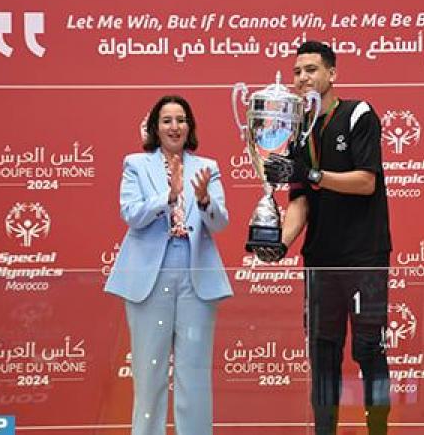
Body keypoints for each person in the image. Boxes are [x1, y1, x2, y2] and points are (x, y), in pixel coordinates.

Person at [261, 41, 392, 435]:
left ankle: (379, 431)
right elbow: (300, 201)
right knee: (323, 355)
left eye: (311, 70)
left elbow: (366, 182)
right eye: (297, 72)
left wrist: (315, 176)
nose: (302, 78)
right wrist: (279, 243)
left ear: (332, 74)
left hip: (364, 257)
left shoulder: (358, 114)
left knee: (369, 350)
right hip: (319, 261)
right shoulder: (298, 133)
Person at [105, 95, 232, 435]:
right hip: (150, 276)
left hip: (195, 276)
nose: (174, 126)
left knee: (194, 373)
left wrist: (204, 200)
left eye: (180, 120)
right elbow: (131, 214)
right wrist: (169, 196)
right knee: (149, 373)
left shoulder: (207, 166)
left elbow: (220, 223)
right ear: (155, 128)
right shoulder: (136, 164)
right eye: (166, 120)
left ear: (189, 127)